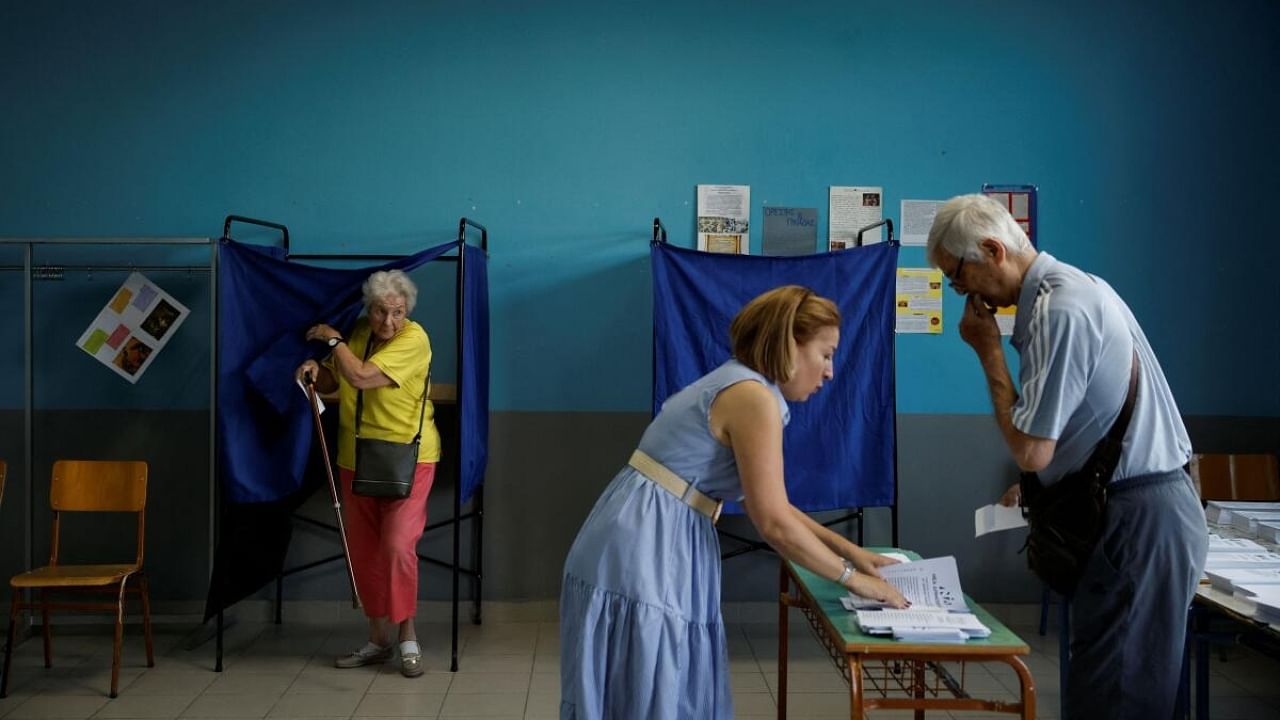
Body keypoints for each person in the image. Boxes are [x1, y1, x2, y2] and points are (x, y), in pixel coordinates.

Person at [559, 286, 908, 720]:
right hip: (647, 541)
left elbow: (776, 504)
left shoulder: (740, 382)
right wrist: (852, 579)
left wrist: (853, 552)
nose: (830, 371)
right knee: (652, 689)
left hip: (650, 526)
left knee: (649, 685)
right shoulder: (752, 397)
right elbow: (773, 522)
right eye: (826, 353)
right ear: (789, 344)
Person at [926, 194, 1206, 719]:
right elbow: (1078, 432)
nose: (957, 290)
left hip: (1135, 519)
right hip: (1138, 510)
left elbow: (1032, 449)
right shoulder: (1075, 290)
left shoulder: (1062, 310)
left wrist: (987, 352)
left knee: (1117, 697)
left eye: (957, 274)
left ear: (992, 250)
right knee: (1118, 686)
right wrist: (1040, 487)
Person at [294, 269, 440, 678]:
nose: (388, 322)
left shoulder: (415, 339)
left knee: (396, 546)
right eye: (379, 311)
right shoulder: (359, 332)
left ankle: (407, 634)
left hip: (408, 459)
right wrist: (313, 369)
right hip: (354, 458)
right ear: (368, 308)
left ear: (406, 310)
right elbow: (334, 379)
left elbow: (360, 375)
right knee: (363, 551)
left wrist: (333, 340)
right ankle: (378, 639)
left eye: (396, 312)